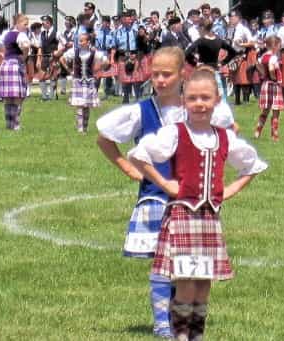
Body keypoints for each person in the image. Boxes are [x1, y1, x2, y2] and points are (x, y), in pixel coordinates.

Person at [128, 68, 267, 341]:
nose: (199, 104)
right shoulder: (175, 133)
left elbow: (252, 165)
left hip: (209, 219)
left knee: (203, 285)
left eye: (205, 98)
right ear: (183, 101)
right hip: (182, 216)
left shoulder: (224, 137)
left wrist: (229, 190)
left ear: (217, 100)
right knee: (186, 283)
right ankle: (181, 335)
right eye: (192, 98)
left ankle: (197, 335)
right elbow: (139, 155)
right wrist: (165, 184)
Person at [96, 46, 188, 339]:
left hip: (189, 198)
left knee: (184, 263)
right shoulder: (142, 110)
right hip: (155, 196)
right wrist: (128, 168)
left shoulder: (194, 109)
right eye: (156, 74)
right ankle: (162, 323)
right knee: (162, 260)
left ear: (182, 74)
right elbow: (104, 139)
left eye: (167, 74)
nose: (160, 80)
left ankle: (178, 319)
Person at [61, 33, 109, 133]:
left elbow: (106, 62)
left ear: (88, 42)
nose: (80, 42)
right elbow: (62, 59)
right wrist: (70, 71)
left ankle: (85, 128)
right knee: (79, 105)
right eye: (79, 40)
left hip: (89, 81)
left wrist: (97, 69)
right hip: (78, 81)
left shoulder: (94, 52)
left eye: (82, 41)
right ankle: (80, 128)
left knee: (86, 106)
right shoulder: (74, 51)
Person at [0, 14, 31, 130]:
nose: (26, 27)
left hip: (5, 64)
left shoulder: (7, 34)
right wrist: (24, 56)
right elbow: (26, 46)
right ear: (17, 23)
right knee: (17, 96)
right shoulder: (21, 34)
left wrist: (3, 54)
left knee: (8, 97)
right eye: (25, 24)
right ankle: (16, 125)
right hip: (15, 65)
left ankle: (9, 124)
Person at [255, 36, 284, 141]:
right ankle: (274, 135)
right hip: (273, 85)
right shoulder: (273, 57)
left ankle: (257, 131)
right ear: (274, 46)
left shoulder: (263, 56)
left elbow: (257, 64)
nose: (280, 47)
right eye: (279, 45)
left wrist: (263, 74)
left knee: (265, 110)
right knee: (276, 111)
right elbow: (271, 68)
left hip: (265, 85)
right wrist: (273, 77)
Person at [39, 15, 59, 101]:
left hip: (53, 57)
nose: (43, 25)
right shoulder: (42, 33)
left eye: (44, 23)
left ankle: (52, 95)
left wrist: (56, 54)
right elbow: (40, 46)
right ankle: (44, 95)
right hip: (44, 56)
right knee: (42, 77)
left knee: (53, 76)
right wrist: (39, 59)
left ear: (49, 23)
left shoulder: (57, 33)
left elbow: (63, 44)